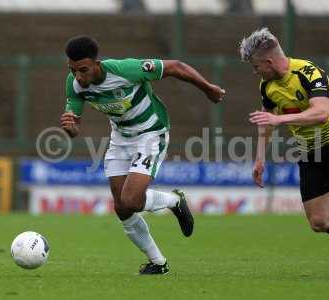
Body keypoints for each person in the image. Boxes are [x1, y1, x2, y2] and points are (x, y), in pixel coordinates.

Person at [59, 36, 225, 275]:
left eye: (83, 70)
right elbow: (74, 128)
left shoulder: (126, 69)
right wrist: (70, 127)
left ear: (97, 63)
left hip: (150, 133)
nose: (78, 77)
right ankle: (158, 263)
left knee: (132, 201)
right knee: (122, 208)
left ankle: (174, 201)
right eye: (72, 70)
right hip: (120, 139)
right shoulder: (73, 84)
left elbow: (175, 66)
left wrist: (207, 88)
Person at [241, 27, 329, 276]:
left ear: (269, 61)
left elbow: (321, 113)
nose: (255, 72)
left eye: (256, 66)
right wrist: (259, 159)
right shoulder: (267, 87)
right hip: (309, 152)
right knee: (319, 222)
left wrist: (279, 121)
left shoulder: (308, 72)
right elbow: (266, 121)